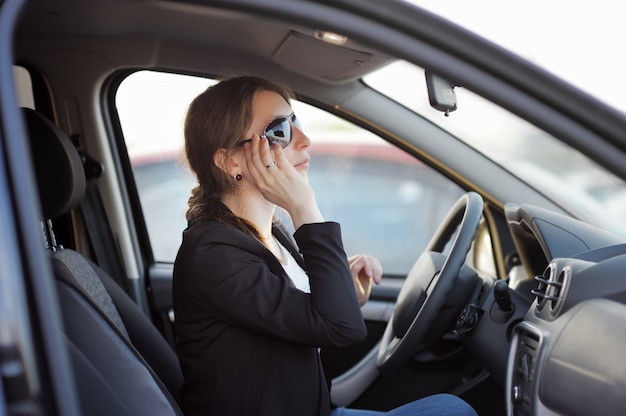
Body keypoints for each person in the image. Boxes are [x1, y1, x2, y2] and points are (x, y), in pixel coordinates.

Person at [172, 76, 478, 416]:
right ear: (231, 162)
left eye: (296, 123)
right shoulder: (213, 254)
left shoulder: (268, 234)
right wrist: (304, 207)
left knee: (452, 408)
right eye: (280, 132)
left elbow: (312, 316)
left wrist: (347, 292)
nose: (304, 140)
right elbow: (341, 328)